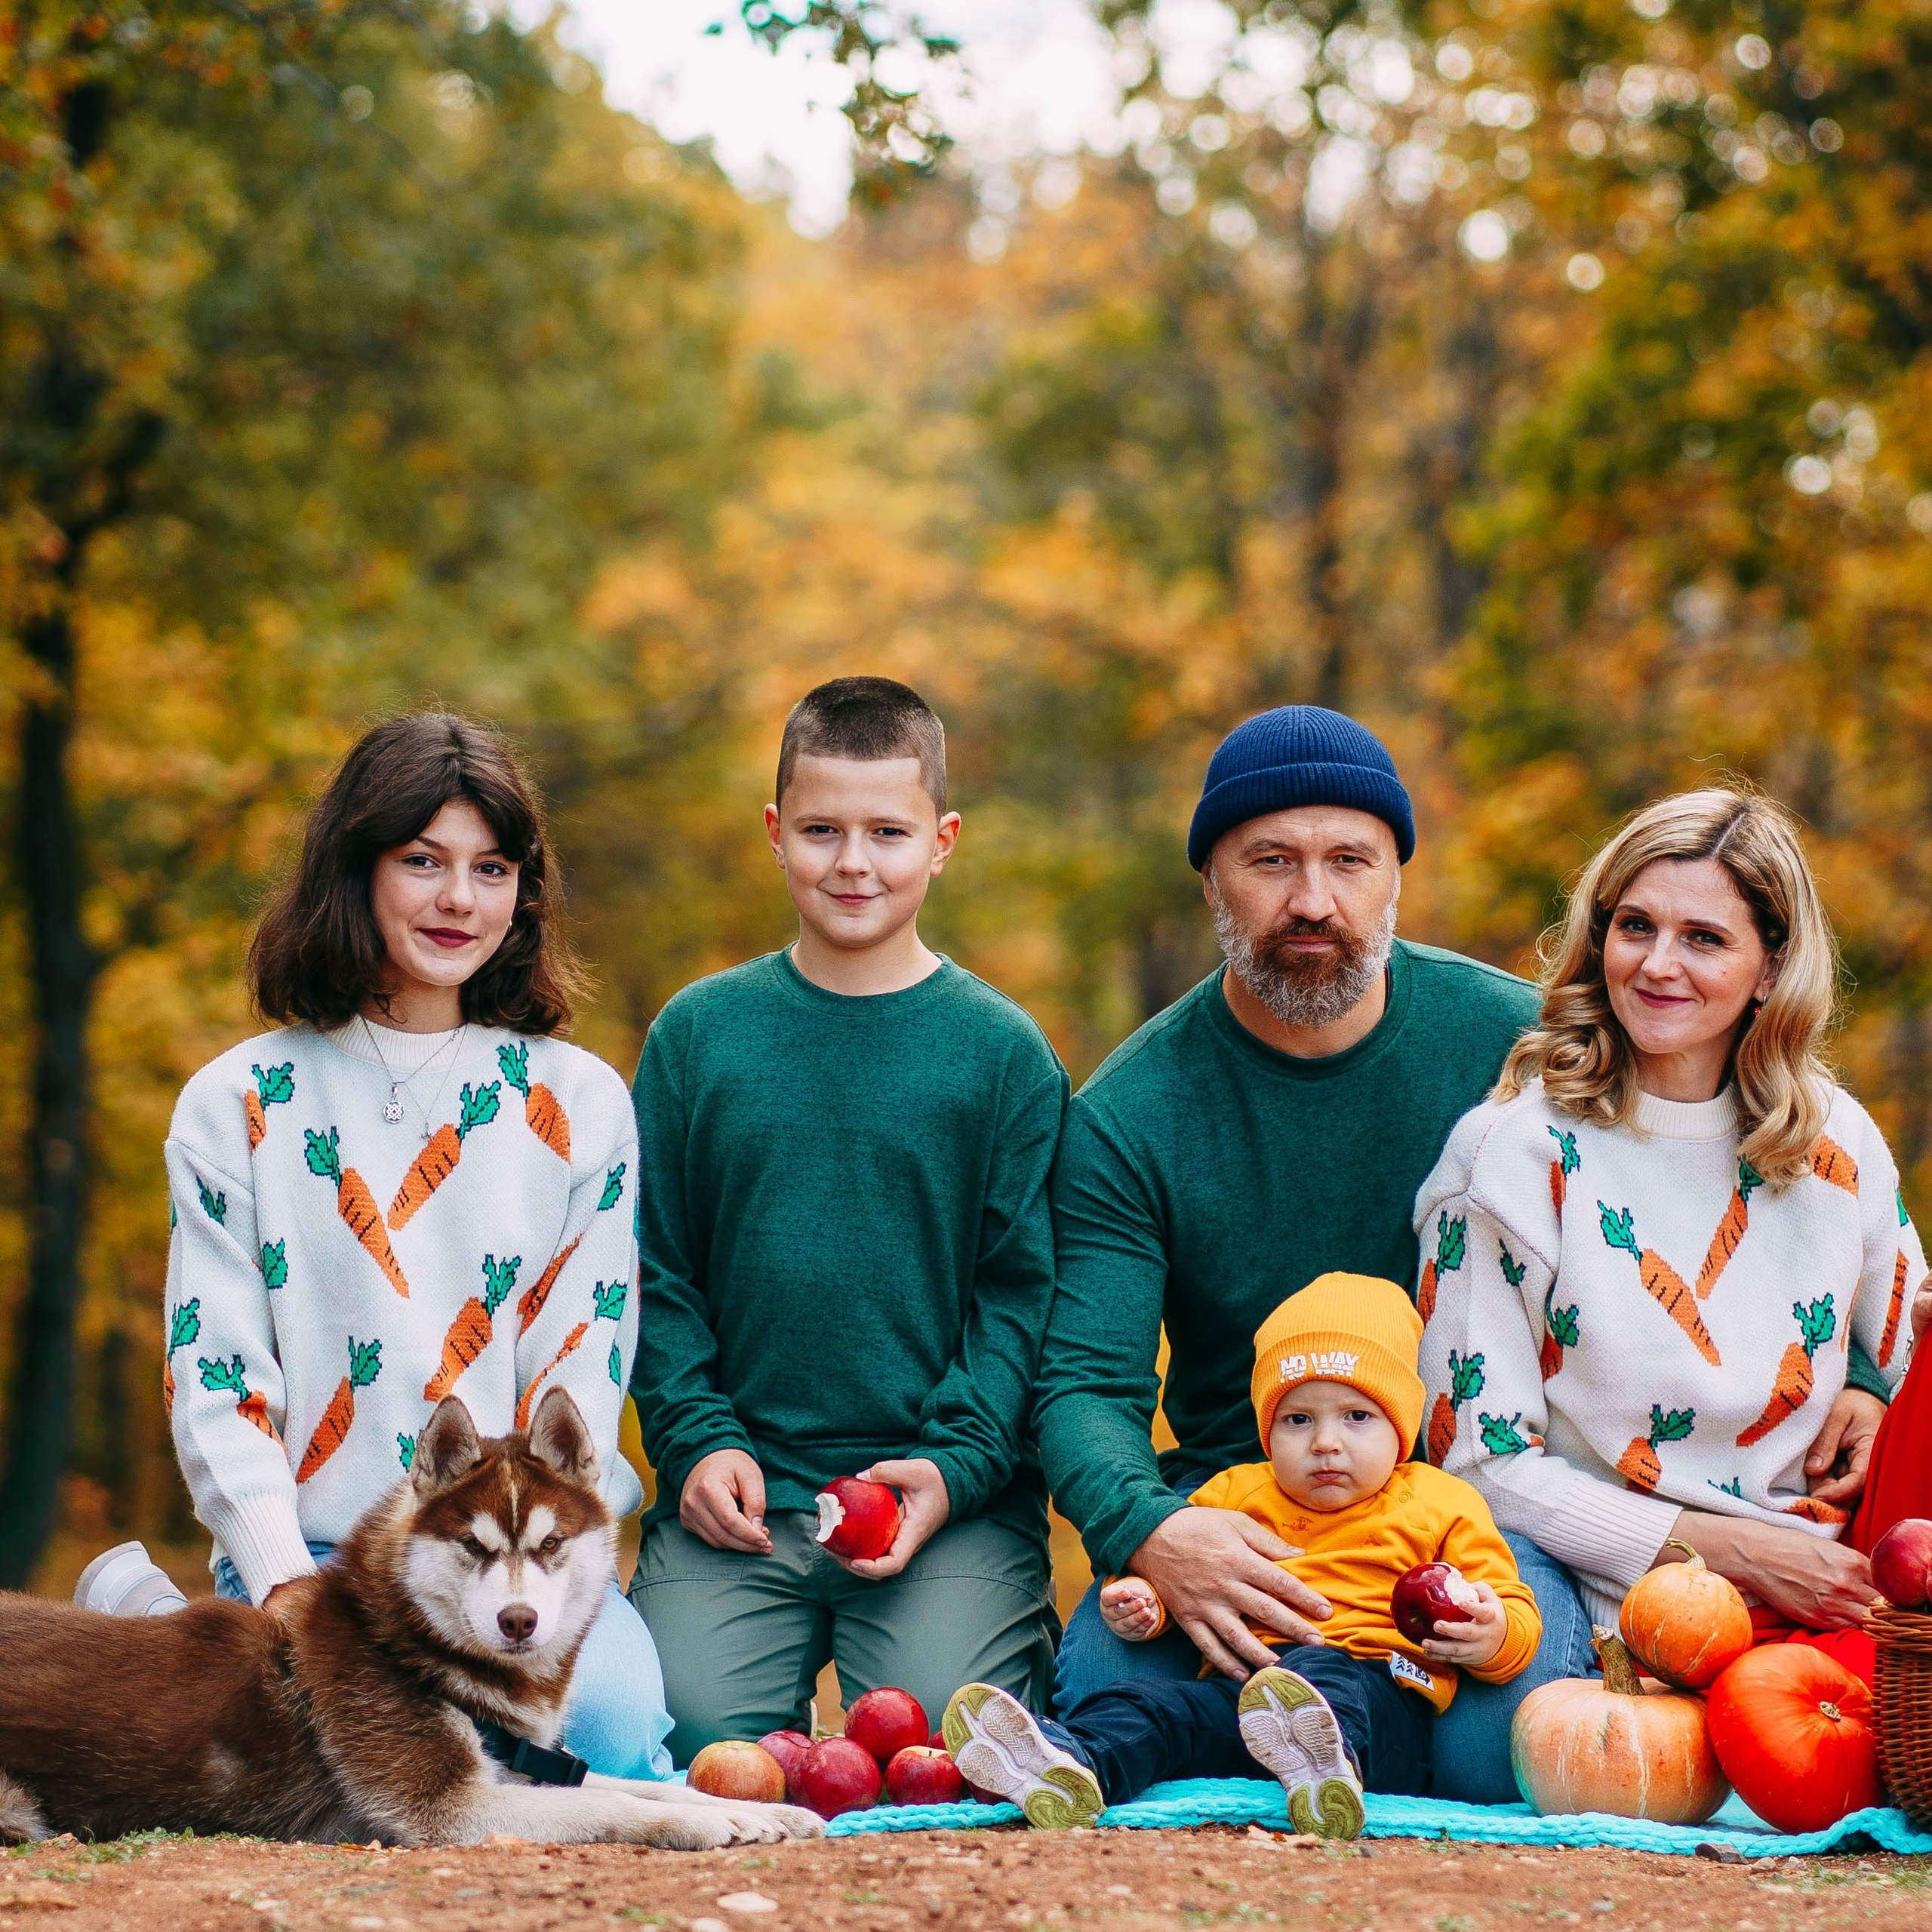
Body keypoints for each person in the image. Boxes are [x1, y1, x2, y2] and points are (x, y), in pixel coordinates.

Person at [1032, 706, 1890, 1803]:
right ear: (1213, 880)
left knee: (1499, 1751)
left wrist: (1858, 1374)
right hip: (1252, 1511)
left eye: (1351, 860)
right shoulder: (1131, 1114)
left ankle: (1340, 1740)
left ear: (1397, 872)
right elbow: (1082, 1387)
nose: (1313, 900)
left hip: (1465, 1511)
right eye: (1270, 863)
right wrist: (1154, 1529)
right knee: (1110, 1672)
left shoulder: (1527, 1047)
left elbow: (1738, 1175)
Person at [89, 713, 675, 1779]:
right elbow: (217, 1378)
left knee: (611, 1747)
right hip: (317, 1554)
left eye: (491, 869)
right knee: (339, 1772)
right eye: (423, 862)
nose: (459, 900)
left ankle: (169, 1646)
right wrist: (279, 1577)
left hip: (513, 1562)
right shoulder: (236, 1104)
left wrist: (547, 1568)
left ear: (523, 896)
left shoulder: (578, 1102)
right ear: (353, 871)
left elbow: (582, 1372)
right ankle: (162, 1634)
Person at [627, 676, 1066, 1761]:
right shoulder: (699, 1038)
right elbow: (654, 1271)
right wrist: (695, 1442)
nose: (853, 863)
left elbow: (1020, 1298)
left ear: (943, 840)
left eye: (887, 832)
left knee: (937, 1749)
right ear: (777, 835)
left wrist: (955, 1468)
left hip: (940, 1505)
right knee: (686, 1746)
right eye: (822, 830)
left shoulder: (1004, 1055)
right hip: (740, 1497)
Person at [1419, 787, 1927, 1687]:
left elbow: (1911, 1345)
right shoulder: (1509, 1157)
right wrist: (1729, 1551)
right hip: (1626, 1606)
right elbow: (1476, 1461)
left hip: (1847, 1588)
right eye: (1635, 926)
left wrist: (1873, 1388)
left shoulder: (1835, 1140)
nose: (1658, 964)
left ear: (1770, 968)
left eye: (1704, 938)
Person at [943, 1276, 1540, 1835]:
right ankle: (1069, 1762)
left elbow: (1509, 1605)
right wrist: (1144, 1603)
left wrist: (1491, 1636)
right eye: (1298, 1419)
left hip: (1381, 1698)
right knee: (1152, 1706)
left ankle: (1329, 1771)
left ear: (1401, 1425)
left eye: (1357, 1417)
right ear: (1266, 1429)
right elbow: (1174, 1580)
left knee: (1323, 1673)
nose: (1325, 1442)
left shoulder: (1440, 1500)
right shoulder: (1234, 1493)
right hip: (1246, 1695)